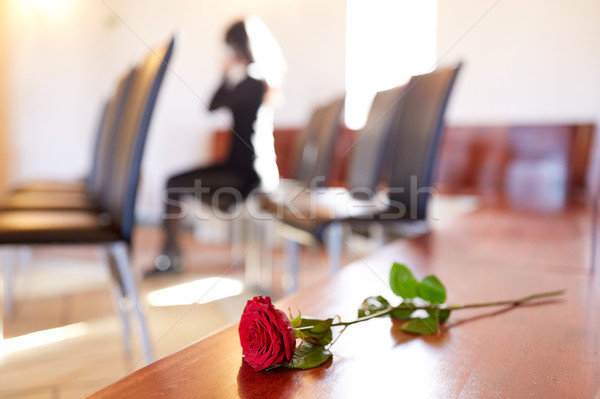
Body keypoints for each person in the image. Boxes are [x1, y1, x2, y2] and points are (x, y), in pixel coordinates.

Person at [147, 17, 285, 275]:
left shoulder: (253, 81)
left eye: (230, 47)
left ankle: (169, 257)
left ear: (239, 46)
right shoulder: (249, 81)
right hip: (235, 166)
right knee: (173, 183)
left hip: (246, 173)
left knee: (172, 184)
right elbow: (211, 106)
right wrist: (225, 74)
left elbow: (213, 105)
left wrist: (226, 74)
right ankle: (170, 254)